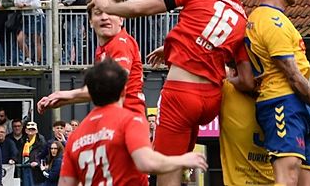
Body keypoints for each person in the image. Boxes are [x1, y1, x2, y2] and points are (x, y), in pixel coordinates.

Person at [96, 0, 256, 186]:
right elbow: (246, 79)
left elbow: (142, 7)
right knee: (181, 164)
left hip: (181, 93)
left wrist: (108, 8)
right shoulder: (243, 19)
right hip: (211, 98)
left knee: (167, 170)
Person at [58, 59, 209, 186]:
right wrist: (181, 160)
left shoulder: (75, 136)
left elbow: (65, 182)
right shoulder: (130, 120)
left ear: (90, 93)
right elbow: (146, 163)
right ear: (124, 90)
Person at [246, 0, 310, 185]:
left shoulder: (275, 19)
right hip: (282, 102)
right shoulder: (272, 21)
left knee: (308, 179)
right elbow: (293, 76)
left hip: (297, 105)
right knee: (288, 176)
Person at [38, 0, 147, 117]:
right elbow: (99, 91)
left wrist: (66, 95)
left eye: (110, 12)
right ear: (90, 21)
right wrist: (62, 99)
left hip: (128, 118)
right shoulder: (103, 49)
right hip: (114, 116)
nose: (104, 17)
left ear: (121, 19)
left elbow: (111, 87)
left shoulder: (120, 43)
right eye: (98, 13)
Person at [15, 0, 43, 65]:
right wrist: (19, 4)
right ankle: (28, 58)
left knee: (36, 40)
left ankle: (38, 61)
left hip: (35, 16)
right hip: (25, 17)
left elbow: (36, 3)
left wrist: (26, 5)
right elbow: (15, 2)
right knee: (20, 39)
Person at [21, 121, 47, 186]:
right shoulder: (23, 140)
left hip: (37, 171)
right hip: (25, 168)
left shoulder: (41, 141)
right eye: (29, 129)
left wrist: (37, 163)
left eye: (33, 129)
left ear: (37, 131)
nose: (31, 131)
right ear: (26, 130)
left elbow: (45, 155)